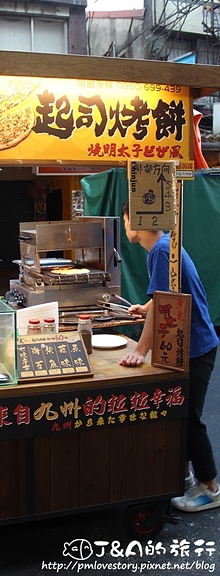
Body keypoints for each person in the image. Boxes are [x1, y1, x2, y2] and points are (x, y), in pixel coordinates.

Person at [119, 197, 219, 512]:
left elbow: (165, 306)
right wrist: (145, 306)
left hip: (195, 346)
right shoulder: (164, 247)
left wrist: (140, 350)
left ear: (134, 220)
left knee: (189, 419)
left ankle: (211, 487)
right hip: (191, 343)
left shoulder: (162, 250)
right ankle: (186, 475)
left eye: (124, 220)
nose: (125, 228)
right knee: (180, 414)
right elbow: (169, 294)